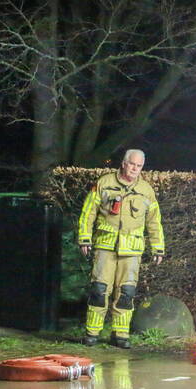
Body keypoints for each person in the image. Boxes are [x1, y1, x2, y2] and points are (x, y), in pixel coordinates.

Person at [77, 149, 164, 348]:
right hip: (105, 246)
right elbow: (88, 212)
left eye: (139, 166)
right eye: (132, 164)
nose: (135, 169)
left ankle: (121, 335)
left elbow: (154, 222)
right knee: (99, 290)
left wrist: (158, 247)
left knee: (127, 293)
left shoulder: (146, 190)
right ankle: (92, 333)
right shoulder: (104, 183)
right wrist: (84, 238)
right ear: (124, 163)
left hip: (132, 250)